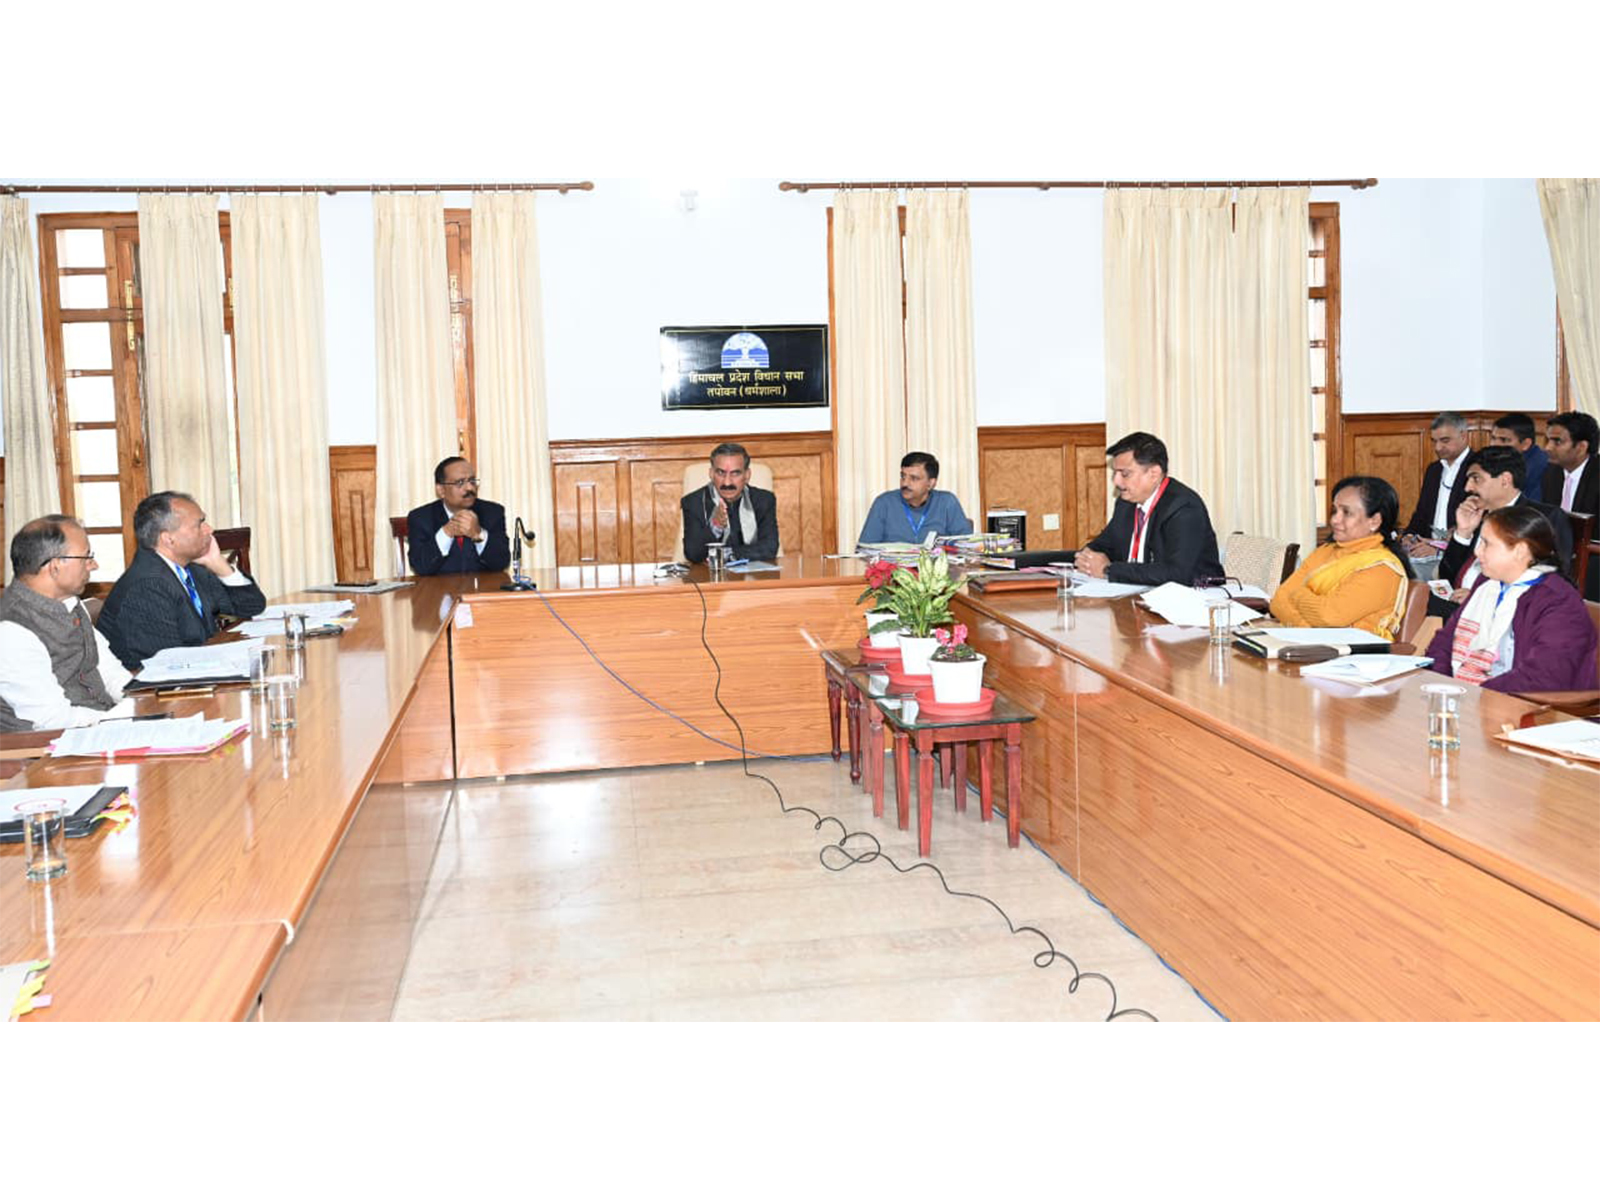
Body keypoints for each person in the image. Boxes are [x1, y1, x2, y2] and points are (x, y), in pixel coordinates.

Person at [1426, 504, 1598, 694]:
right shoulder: (1487, 583)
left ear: (1520, 551)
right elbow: (1444, 642)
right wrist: (1442, 686)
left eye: (1486, 543)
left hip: (1529, 710)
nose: (1477, 552)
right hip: (1465, 697)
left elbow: (1543, 678)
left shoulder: (1558, 601)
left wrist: (1472, 696)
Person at [96, 492, 268, 671]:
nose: (209, 529)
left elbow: (252, 606)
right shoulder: (147, 585)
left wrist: (219, 564)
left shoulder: (190, 568)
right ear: (168, 538)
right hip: (157, 693)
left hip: (193, 675)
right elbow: (170, 665)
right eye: (199, 524)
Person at [0, 515, 135, 732]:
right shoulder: (11, 630)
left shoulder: (70, 602)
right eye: (86, 557)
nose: (94, 565)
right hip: (46, 750)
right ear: (55, 566)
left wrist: (139, 705)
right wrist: (122, 721)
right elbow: (53, 719)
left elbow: (109, 670)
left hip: (101, 726)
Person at [1429, 445, 1572, 617]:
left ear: (1505, 479)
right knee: (1421, 600)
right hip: (1459, 606)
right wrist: (1463, 533)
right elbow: (1447, 578)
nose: (1468, 488)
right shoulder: (1476, 514)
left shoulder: (1543, 518)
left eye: (1476, 479)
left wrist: (1481, 597)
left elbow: (1548, 581)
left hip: (1501, 614)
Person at [1269, 476, 1411, 640]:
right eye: (1334, 510)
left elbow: (1329, 617)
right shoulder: (1326, 550)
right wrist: (1308, 633)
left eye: (1346, 513)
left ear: (1374, 521)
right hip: (1308, 646)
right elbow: (1279, 601)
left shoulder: (1381, 568)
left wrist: (1297, 594)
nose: (1334, 520)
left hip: (1355, 658)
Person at [1073, 431, 1223, 585]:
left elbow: (1177, 574)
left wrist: (1108, 570)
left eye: (1125, 474)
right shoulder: (1126, 503)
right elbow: (1104, 545)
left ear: (1154, 474)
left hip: (1195, 598)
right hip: (1136, 595)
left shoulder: (1184, 508)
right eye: (1115, 473)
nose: (1116, 481)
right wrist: (1086, 558)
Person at [407, 457, 511, 576]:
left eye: (472, 481)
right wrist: (446, 533)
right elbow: (420, 567)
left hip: (482, 591)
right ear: (441, 490)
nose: (470, 488)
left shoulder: (492, 512)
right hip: (438, 592)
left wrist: (479, 534)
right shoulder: (421, 518)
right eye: (460, 482)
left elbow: (502, 563)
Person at [680, 441, 779, 563]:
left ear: (747, 475)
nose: (727, 483)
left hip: (753, 578)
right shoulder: (693, 502)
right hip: (709, 578)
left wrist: (728, 553)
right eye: (721, 473)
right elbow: (693, 554)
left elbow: (770, 548)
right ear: (711, 474)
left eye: (735, 473)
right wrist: (715, 525)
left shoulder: (763, 500)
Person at [856, 452, 974, 545]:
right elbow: (865, 550)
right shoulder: (884, 503)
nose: (905, 483)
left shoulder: (947, 502)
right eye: (903, 476)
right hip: (894, 572)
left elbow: (966, 546)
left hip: (936, 573)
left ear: (931, 483)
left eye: (914, 478)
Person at [1401, 411, 1472, 557]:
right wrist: (1409, 535)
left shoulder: (1477, 468)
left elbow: (1476, 523)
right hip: (1426, 547)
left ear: (1463, 436)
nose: (1438, 447)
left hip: (1459, 553)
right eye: (1434, 441)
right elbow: (1422, 512)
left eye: (1445, 441)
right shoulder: (1434, 470)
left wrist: (1441, 549)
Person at [1541, 410, 1598, 516]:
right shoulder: (1550, 472)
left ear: (1581, 447)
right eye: (1548, 441)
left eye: (1557, 441)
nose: (1547, 448)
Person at [1489, 413, 1549, 503]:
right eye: (1493, 438)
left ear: (1525, 444)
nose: (1495, 445)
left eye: (1504, 440)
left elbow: (1533, 509)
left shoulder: (1541, 467)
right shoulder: (1500, 460)